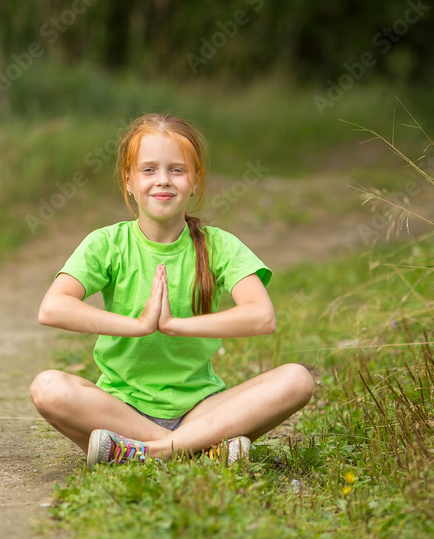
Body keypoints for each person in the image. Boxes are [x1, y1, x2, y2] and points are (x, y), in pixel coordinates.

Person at [30, 113, 313, 467]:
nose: (162, 181)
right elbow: (53, 308)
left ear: (195, 181)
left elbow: (262, 316)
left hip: (202, 409)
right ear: (129, 181)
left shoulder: (218, 245)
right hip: (120, 410)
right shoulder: (106, 243)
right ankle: (199, 450)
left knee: (296, 379)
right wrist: (140, 324)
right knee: (47, 388)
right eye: (148, 170)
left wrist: (174, 324)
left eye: (176, 170)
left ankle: (148, 453)